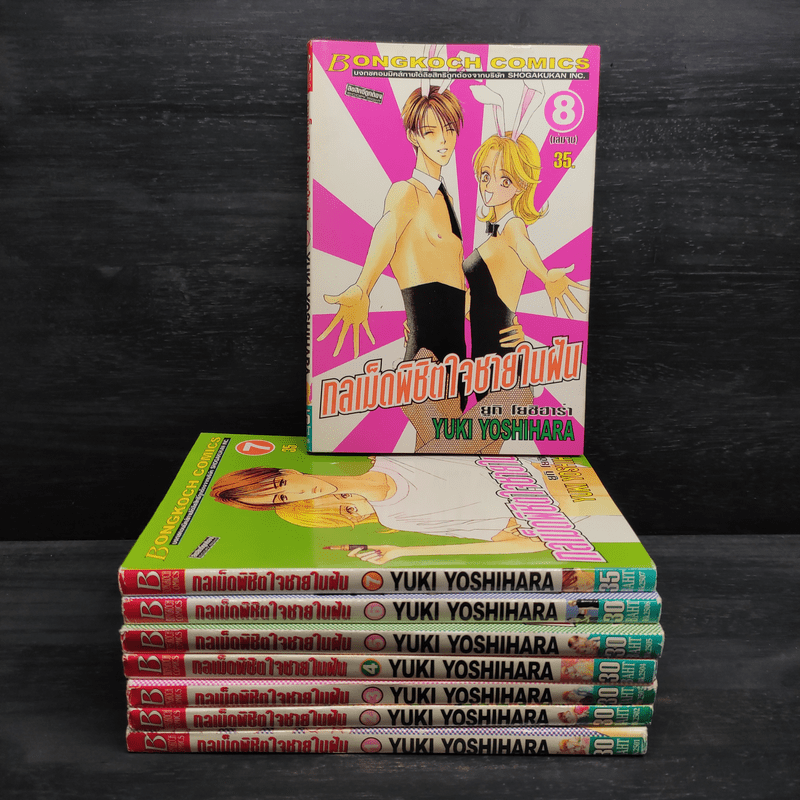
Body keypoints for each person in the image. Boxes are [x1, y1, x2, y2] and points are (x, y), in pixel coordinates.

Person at [209, 456, 548, 565]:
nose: (299, 492)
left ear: (288, 471)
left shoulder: (392, 454)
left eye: (282, 484)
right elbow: (530, 543)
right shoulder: (395, 517)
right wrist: (402, 551)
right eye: (282, 498)